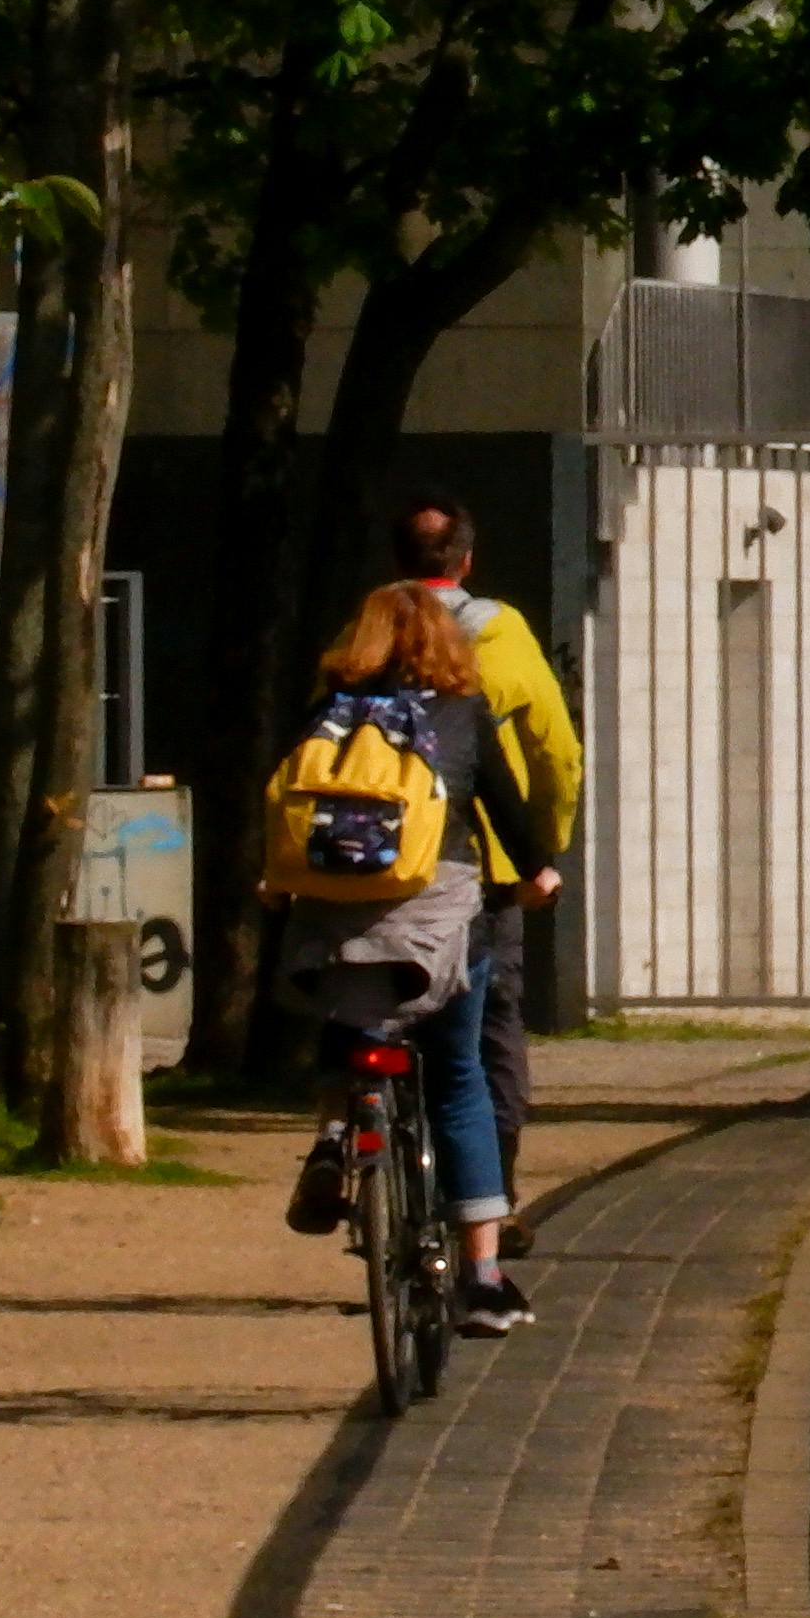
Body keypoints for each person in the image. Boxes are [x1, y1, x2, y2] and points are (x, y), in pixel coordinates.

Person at [272, 579, 560, 1335]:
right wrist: (541, 872)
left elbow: (285, 805)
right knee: (459, 1078)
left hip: (336, 921)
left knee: (353, 1018)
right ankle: (485, 1281)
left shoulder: (327, 712)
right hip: (441, 918)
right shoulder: (464, 713)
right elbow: (508, 810)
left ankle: (336, 1138)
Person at [383, 498, 584, 1241]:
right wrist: (544, 848)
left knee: (361, 1002)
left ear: (396, 561)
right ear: (465, 561)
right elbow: (555, 751)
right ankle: (489, 1201)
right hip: (485, 867)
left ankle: (345, 1140)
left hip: (369, 867)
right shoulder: (501, 635)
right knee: (487, 1028)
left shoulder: (367, 631)